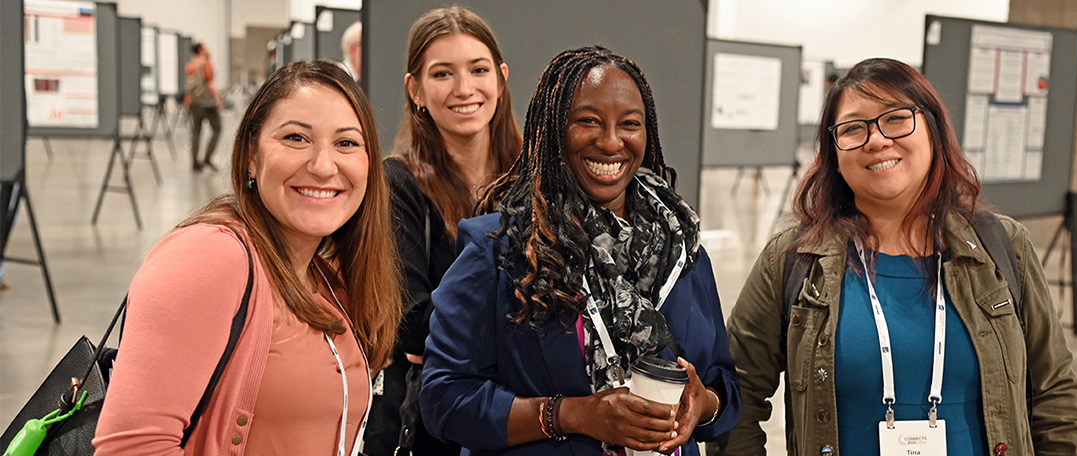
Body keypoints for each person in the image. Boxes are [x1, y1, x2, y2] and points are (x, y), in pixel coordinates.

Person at [710, 58, 1077, 455]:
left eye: (895, 119)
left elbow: (1054, 396)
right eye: (854, 128)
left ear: (933, 130)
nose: (876, 140)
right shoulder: (794, 260)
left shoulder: (1003, 247)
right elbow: (735, 394)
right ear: (834, 153)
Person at [419, 45, 740, 455]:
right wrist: (574, 415)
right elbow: (444, 399)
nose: (611, 142)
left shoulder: (681, 248)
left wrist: (703, 404)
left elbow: (724, 385)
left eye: (629, 124)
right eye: (588, 121)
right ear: (552, 130)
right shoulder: (501, 249)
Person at [93, 59, 403, 455]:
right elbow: (133, 448)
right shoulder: (209, 258)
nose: (324, 166)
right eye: (295, 138)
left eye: (346, 143)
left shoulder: (323, 275)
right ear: (251, 156)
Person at [362, 6, 521, 456]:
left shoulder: (535, 176)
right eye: (442, 74)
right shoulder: (398, 184)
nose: (464, 89)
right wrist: (527, 320)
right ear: (415, 90)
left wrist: (458, 326)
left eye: (478, 69)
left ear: (501, 77)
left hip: (526, 411)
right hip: (438, 426)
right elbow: (410, 323)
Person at [184, 42, 224, 172]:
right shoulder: (206, 64)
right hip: (206, 103)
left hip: (192, 102)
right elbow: (210, 83)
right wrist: (218, 98)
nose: (209, 48)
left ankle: (195, 161)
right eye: (206, 46)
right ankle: (207, 157)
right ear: (201, 50)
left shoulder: (190, 64)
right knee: (217, 128)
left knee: (196, 131)